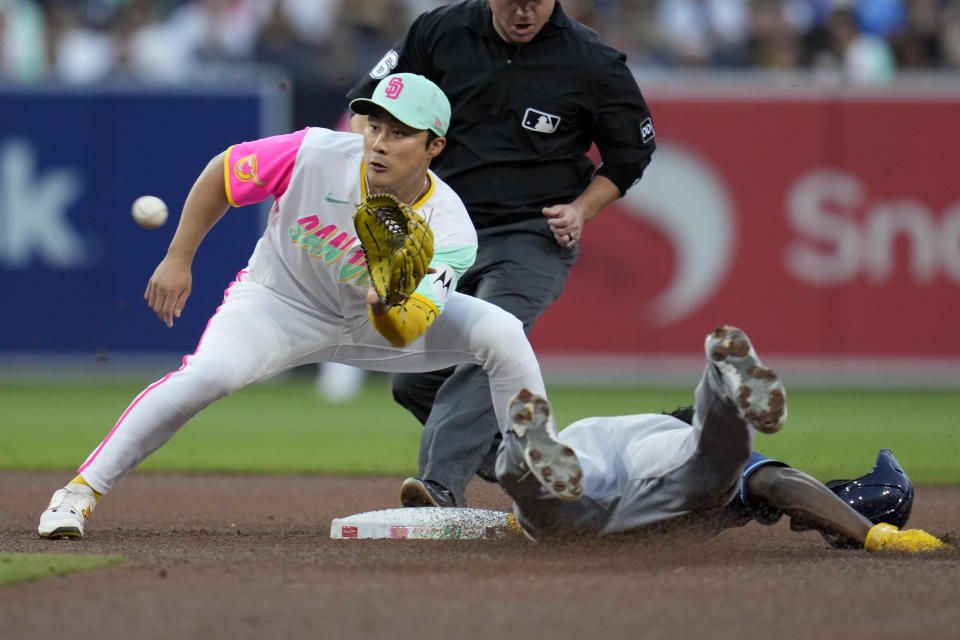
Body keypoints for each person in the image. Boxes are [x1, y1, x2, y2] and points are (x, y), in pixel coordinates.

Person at [36, 73, 582, 540]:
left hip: (373, 326)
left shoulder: (451, 226)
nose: (380, 143)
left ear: (435, 145)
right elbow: (223, 174)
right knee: (205, 377)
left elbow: (406, 328)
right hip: (279, 303)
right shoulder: (313, 152)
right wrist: (179, 258)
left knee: (503, 331)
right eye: (374, 126)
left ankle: (538, 490)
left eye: (401, 133)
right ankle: (78, 492)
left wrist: (387, 305)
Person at [346, 0, 657, 508]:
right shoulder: (439, 31)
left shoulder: (592, 61)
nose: (523, 9)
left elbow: (631, 152)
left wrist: (581, 209)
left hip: (530, 235)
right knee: (413, 385)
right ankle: (532, 470)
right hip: (444, 233)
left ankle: (439, 485)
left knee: (491, 336)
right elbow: (370, 106)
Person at [496, 325, 951, 553]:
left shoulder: (627, 430)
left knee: (553, 512)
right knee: (708, 472)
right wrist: (875, 536)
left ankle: (526, 455)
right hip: (658, 453)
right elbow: (781, 486)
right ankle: (724, 390)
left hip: (587, 444)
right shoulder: (763, 489)